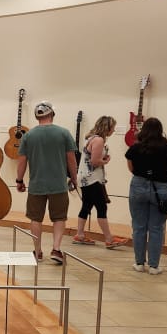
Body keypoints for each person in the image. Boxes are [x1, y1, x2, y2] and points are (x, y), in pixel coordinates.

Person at [16, 101, 78, 263]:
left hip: (36, 185)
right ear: (52, 114)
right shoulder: (64, 133)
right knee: (59, 218)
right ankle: (56, 249)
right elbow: (71, 159)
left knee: (36, 218)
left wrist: (19, 180)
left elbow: (22, 161)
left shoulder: (28, 136)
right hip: (58, 184)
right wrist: (74, 177)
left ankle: (37, 251)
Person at [125, 117, 167, 275]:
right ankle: (154, 266)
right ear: (160, 131)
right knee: (156, 228)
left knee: (138, 226)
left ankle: (139, 263)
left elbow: (131, 168)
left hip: (138, 186)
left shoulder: (135, 148)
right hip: (161, 189)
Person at [72, 116, 129, 249]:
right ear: (107, 127)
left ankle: (80, 234)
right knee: (101, 207)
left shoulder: (92, 138)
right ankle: (109, 239)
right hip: (92, 179)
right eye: (112, 127)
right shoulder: (99, 140)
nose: (113, 130)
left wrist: (101, 159)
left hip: (86, 178)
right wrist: (105, 161)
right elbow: (94, 162)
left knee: (87, 205)